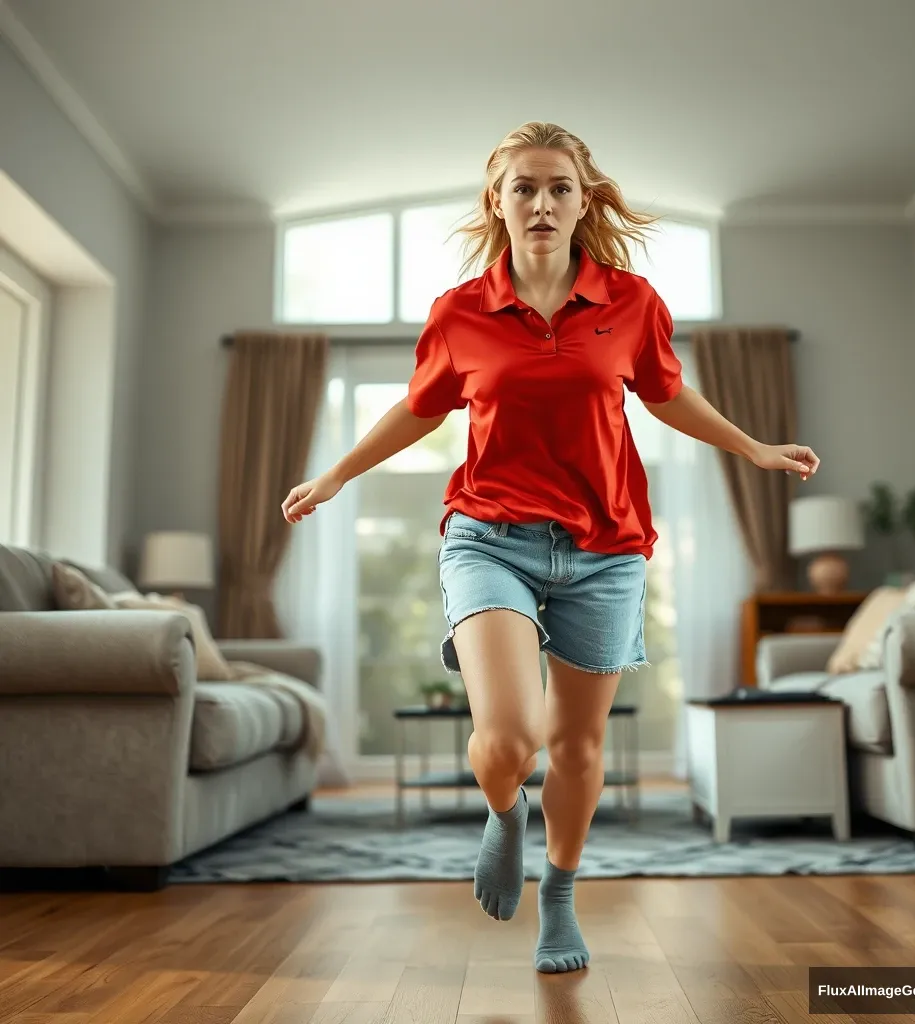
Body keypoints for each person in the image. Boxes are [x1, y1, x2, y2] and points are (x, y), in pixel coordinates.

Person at [282, 121, 819, 974]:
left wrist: (751, 447)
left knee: (576, 747)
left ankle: (559, 897)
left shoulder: (630, 302)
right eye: (523, 187)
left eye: (558, 187)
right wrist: (339, 472)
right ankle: (504, 815)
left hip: (606, 550)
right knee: (508, 741)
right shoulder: (461, 313)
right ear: (497, 203)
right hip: (489, 537)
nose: (541, 202)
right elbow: (421, 408)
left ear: (583, 200)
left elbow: (665, 395)